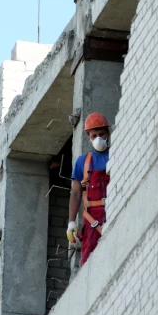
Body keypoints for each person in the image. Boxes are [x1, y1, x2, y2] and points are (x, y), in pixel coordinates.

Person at [67, 112, 110, 266]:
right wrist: (71, 222)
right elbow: (76, 193)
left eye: (101, 134)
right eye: (94, 135)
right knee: (88, 261)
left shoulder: (117, 154)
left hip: (113, 209)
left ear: (108, 133)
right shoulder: (82, 162)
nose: (98, 138)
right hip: (93, 218)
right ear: (88, 137)